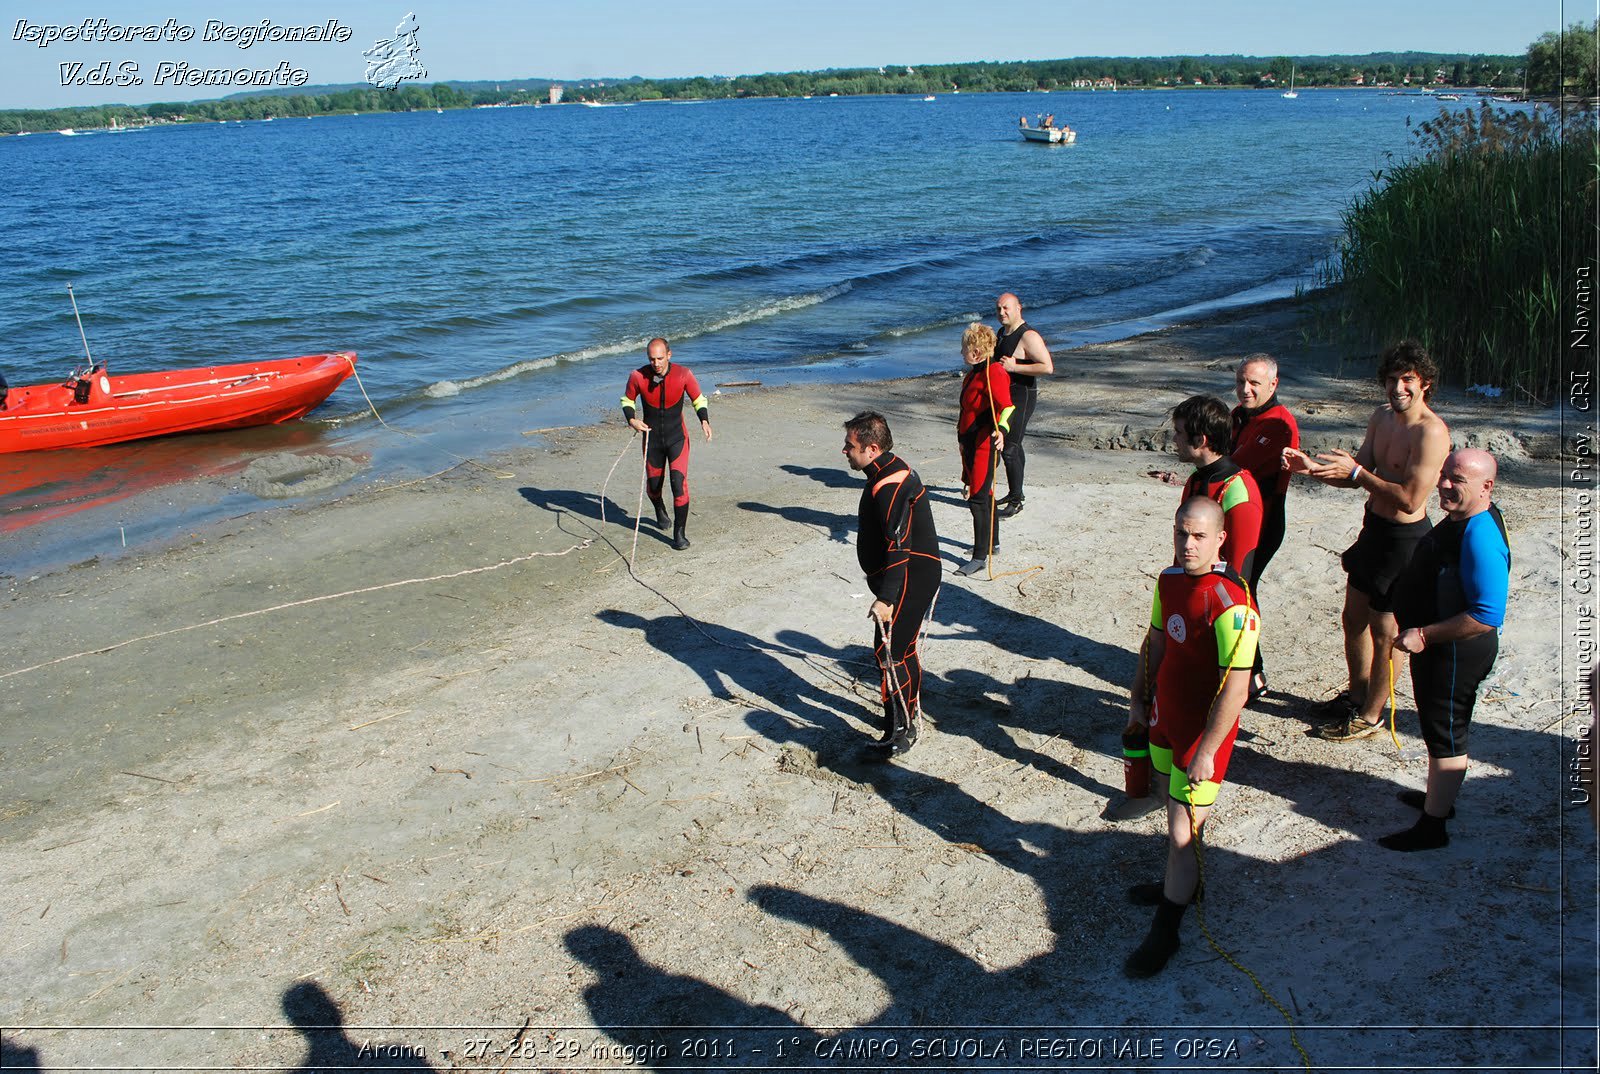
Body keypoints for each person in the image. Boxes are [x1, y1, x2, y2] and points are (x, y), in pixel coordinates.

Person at [1122, 497, 1259, 978]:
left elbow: (1237, 689)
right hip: (1164, 719)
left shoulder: (1233, 602)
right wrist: (1139, 696)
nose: (1187, 544)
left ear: (1221, 539)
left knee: (1182, 833)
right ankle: (1183, 883)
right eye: (1181, 533)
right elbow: (1156, 641)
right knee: (1167, 803)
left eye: (1199, 535)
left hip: (1202, 737)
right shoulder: (1168, 580)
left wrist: (1207, 750)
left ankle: (1167, 928)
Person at [1286, 341, 1450, 740]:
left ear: (1424, 383)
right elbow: (1356, 472)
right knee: (1352, 619)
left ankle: (1372, 714)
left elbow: (1411, 497)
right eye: (1392, 380)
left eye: (1407, 380)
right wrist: (1313, 469)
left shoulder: (1431, 433)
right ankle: (1356, 695)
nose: (1398, 388)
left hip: (1405, 540)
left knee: (1385, 633)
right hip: (1373, 530)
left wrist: (1359, 474)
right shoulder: (1381, 418)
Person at [1380, 449, 1510, 850]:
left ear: (1486, 487)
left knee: (1447, 735)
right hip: (1441, 647)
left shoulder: (1480, 535)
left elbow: (1488, 614)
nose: (1444, 484)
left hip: (1455, 652)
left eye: (1458, 480)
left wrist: (1425, 635)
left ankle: (1433, 827)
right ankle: (1439, 799)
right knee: (1439, 730)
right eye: (1444, 475)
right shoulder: (1462, 519)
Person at [843, 412, 941, 758]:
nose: (844, 451)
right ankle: (906, 717)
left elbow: (899, 546)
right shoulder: (885, 471)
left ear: (871, 448)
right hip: (908, 575)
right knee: (898, 650)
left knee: (891, 653)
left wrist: (886, 598)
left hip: (911, 576)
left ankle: (900, 730)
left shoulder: (890, 484)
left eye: (850, 445)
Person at [1230, 355, 1300, 698]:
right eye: (1242, 381)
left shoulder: (1279, 425)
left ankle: (1251, 673)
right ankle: (1242, 668)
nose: (1246, 389)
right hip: (1236, 516)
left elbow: (1233, 465)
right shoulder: (1239, 415)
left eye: (1255, 383)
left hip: (1265, 520)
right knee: (1235, 588)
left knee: (1242, 590)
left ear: (1273, 385)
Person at [621, 338, 712, 551]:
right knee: (654, 488)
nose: (656, 363)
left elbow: (698, 399)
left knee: (678, 484)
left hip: (677, 438)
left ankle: (679, 534)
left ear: (669, 355)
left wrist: (704, 420)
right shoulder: (638, 376)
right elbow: (627, 400)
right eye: (652, 359)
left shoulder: (683, 374)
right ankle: (659, 508)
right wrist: (632, 419)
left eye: (660, 358)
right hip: (652, 441)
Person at [1174, 395, 1263, 583]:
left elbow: (1240, 571)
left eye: (1179, 432)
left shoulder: (1239, 489)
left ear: (1200, 440)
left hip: (1225, 600)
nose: (1174, 439)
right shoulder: (1195, 480)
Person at [955, 323, 1014, 577]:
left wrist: (1002, 431)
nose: (961, 353)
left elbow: (1008, 407)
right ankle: (993, 544)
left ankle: (980, 557)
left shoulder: (995, 372)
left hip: (984, 444)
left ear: (977, 351)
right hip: (969, 443)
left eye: (964, 349)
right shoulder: (974, 372)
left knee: (978, 498)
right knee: (985, 493)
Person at [992, 292, 1053, 518]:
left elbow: (1047, 367)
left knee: (1009, 447)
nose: (1001, 313)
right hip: (1004, 397)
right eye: (998, 309)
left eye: (1006, 308)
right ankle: (1015, 491)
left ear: (1019, 308)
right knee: (1013, 443)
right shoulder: (1001, 333)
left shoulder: (1028, 336)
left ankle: (1016, 500)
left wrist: (1015, 367)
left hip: (1022, 395)